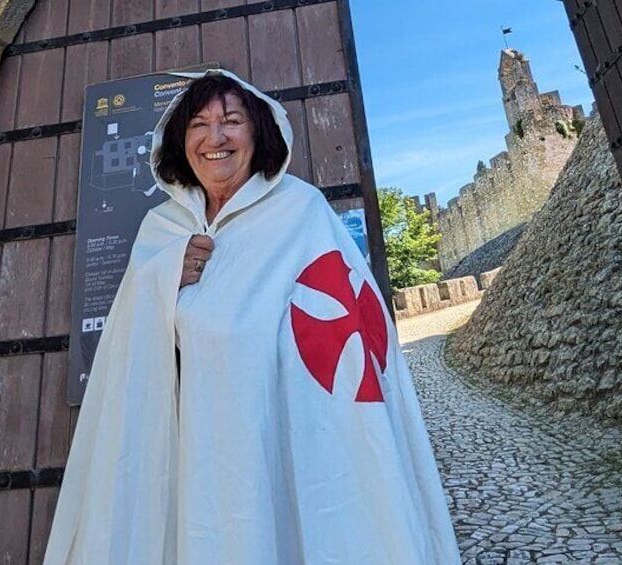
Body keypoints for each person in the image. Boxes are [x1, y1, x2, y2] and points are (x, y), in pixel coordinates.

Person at [44, 69, 460, 564]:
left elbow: (349, 344)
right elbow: (127, 353)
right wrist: (163, 282)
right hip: (188, 448)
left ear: (258, 132)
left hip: (275, 437)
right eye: (199, 124)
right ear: (181, 140)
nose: (215, 137)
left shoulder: (300, 212)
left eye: (231, 121)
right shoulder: (161, 231)